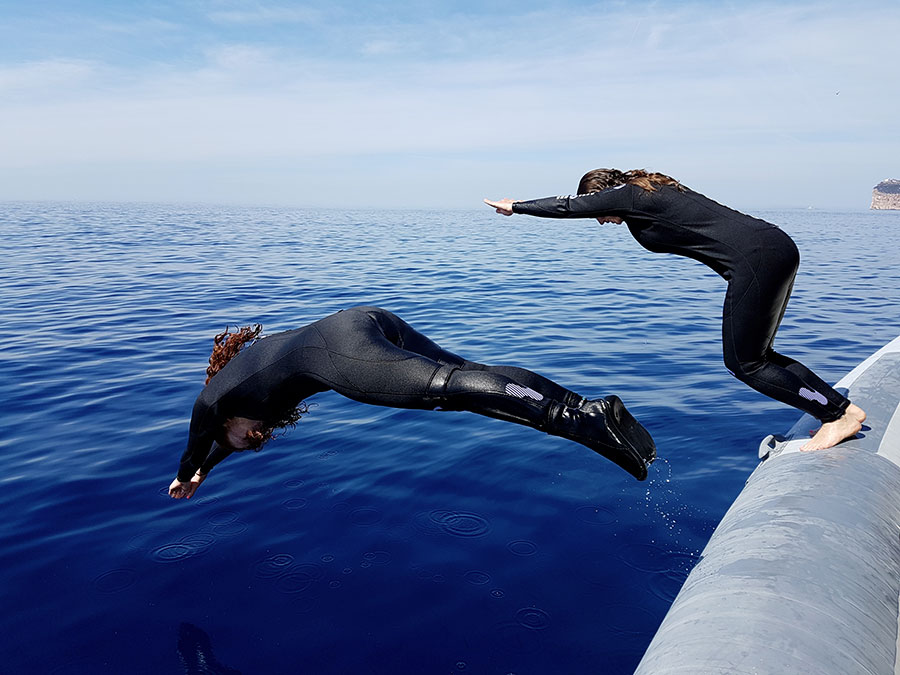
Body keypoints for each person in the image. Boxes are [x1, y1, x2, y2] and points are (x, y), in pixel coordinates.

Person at [485, 169, 866, 452]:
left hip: (756, 261)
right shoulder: (652, 191)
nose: (600, 221)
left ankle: (837, 416)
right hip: (773, 248)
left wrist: (515, 207)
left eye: (599, 211)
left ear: (604, 194)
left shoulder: (630, 194)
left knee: (745, 363)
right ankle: (839, 410)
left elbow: (570, 206)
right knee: (759, 356)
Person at [168, 306, 656, 499]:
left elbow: (201, 430)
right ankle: (585, 410)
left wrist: (185, 471)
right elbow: (218, 443)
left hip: (342, 352)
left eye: (245, 438)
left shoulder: (214, 401)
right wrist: (205, 471)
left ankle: (581, 417)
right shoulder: (247, 383)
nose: (255, 439)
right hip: (365, 319)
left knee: (447, 387)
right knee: (468, 379)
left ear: (224, 420)